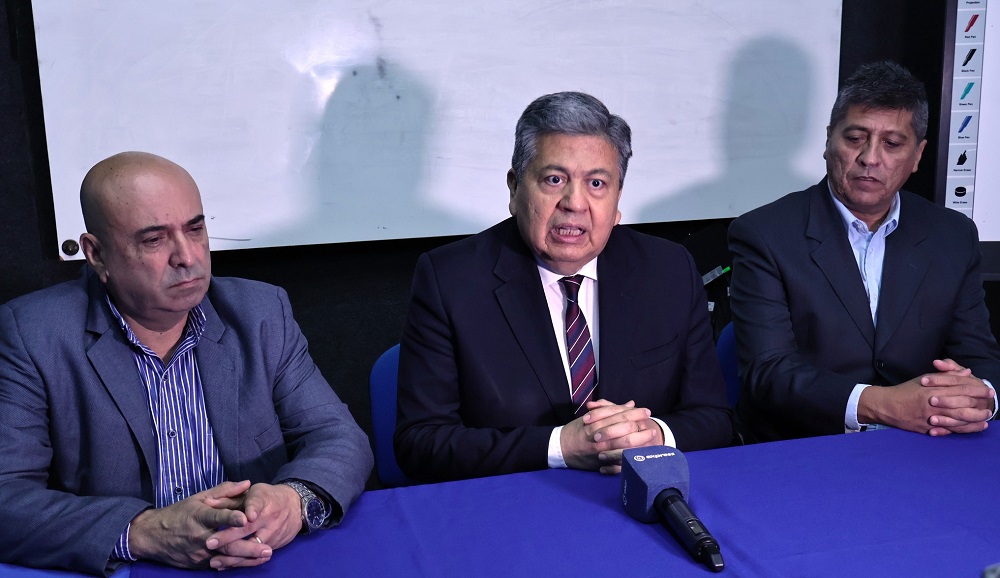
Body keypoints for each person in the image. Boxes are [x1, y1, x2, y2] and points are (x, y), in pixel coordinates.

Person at [0, 152, 373, 575]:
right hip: (135, 569)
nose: (188, 257)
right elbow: (6, 494)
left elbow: (338, 436)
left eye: (195, 230)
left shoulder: (260, 313)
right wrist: (145, 531)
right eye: (154, 240)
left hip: (259, 561)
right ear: (97, 253)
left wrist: (292, 499)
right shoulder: (33, 335)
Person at [395, 91, 733, 483]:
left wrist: (655, 435)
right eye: (554, 180)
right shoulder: (451, 280)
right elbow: (420, 444)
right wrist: (561, 447)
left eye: (597, 183)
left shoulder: (668, 269)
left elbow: (715, 419)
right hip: (516, 499)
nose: (574, 203)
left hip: (638, 495)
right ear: (514, 189)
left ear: (617, 200)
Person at [729, 60, 1000, 442]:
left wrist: (979, 397)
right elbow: (768, 372)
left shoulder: (952, 236)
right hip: (806, 444)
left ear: (918, 155)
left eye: (892, 144)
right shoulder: (764, 234)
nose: (870, 158)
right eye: (855, 138)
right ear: (829, 140)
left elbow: (979, 358)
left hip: (928, 441)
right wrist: (884, 404)